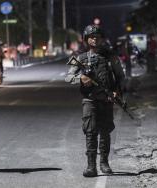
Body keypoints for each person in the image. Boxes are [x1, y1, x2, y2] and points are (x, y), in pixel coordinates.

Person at [65, 25, 125, 177]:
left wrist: (117, 92)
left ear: (102, 39)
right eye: (91, 36)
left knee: (105, 132)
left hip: (106, 99)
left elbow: (120, 77)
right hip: (89, 100)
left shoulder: (110, 57)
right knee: (90, 132)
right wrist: (81, 78)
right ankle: (91, 166)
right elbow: (68, 76)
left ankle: (104, 163)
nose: (94, 39)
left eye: (97, 36)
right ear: (86, 40)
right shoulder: (80, 58)